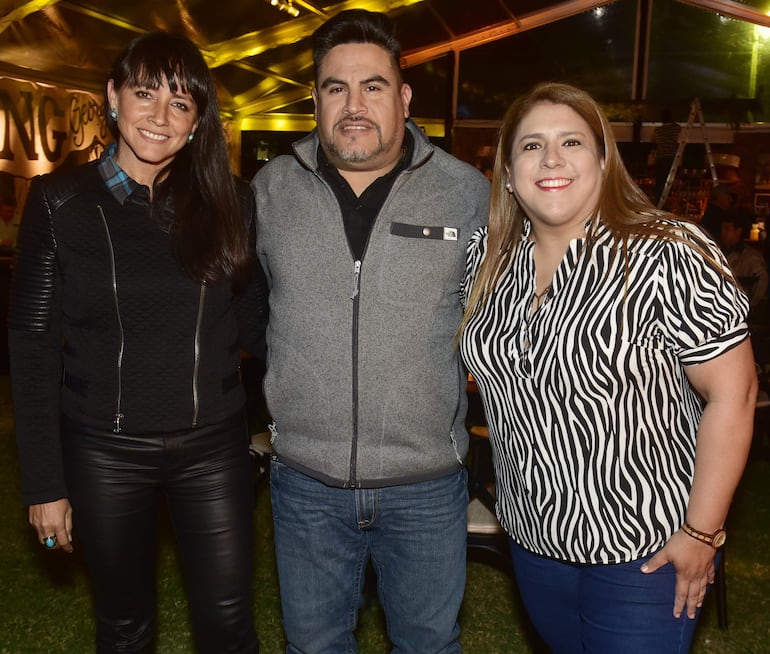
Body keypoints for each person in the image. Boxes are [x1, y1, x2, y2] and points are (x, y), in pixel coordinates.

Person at [459, 82, 756, 653]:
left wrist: (701, 532)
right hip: (532, 540)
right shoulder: (487, 259)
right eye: (531, 145)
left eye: (571, 141)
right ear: (508, 170)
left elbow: (734, 394)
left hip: (646, 549)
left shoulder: (666, 251)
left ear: (602, 159)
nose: (551, 159)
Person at [8, 32, 266, 654]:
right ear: (113, 96)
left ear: (197, 121)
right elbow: (33, 347)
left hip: (213, 448)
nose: (160, 116)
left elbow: (258, 324)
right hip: (104, 452)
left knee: (229, 625)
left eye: (180, 103)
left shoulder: (231, 201)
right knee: (124, 627)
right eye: (145, 93)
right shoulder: (59, 202)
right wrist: (44, 485)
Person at [250, 9, 489, 653]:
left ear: (404, 97)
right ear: (316, 100)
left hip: (426, 486)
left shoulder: (466, 193)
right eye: (337, 88)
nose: (354, 105)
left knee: (428, 646)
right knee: (313, 646)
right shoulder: (271, 191)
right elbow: (244, 310)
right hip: (306, 483)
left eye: (373, 86)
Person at [720, 214, 769, 320]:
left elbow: (762, 280)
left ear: (738, 231)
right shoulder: (718, 251)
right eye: (722, 229)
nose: (723, 233)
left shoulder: (751, 257)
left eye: (727, 229)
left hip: (738, 312)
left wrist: (750, 306)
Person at [652, 108, 681, 206]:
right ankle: (666, 202)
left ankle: (658, 202)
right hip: (671, 158)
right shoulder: (675, 128)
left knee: (660, 182)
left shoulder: (658, 130)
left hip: (660, 158)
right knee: (669, 181)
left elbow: (654, 140)